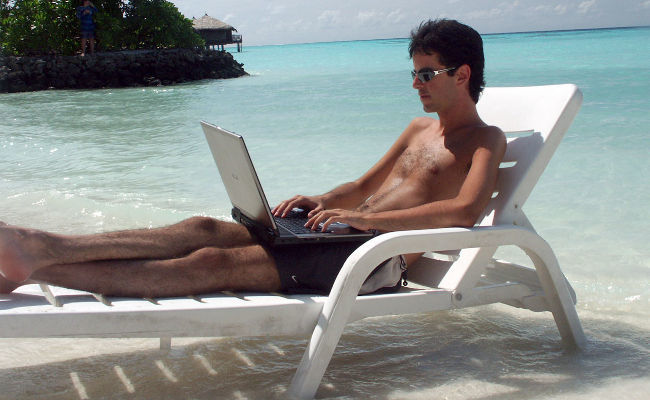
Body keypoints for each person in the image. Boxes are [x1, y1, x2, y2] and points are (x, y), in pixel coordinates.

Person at [0, 19, 506, 297]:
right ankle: (43, 245)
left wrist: (365, 221)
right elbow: (360, 186)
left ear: (461, 74)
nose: (416, 84)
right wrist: (322, 200)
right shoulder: (418, 128)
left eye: (426, 74)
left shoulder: (485, 140)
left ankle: (37, 265)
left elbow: (464, 211)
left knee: (212, 263)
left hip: (373, 259)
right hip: (336, 233)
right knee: (201, 229)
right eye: (414, 73)